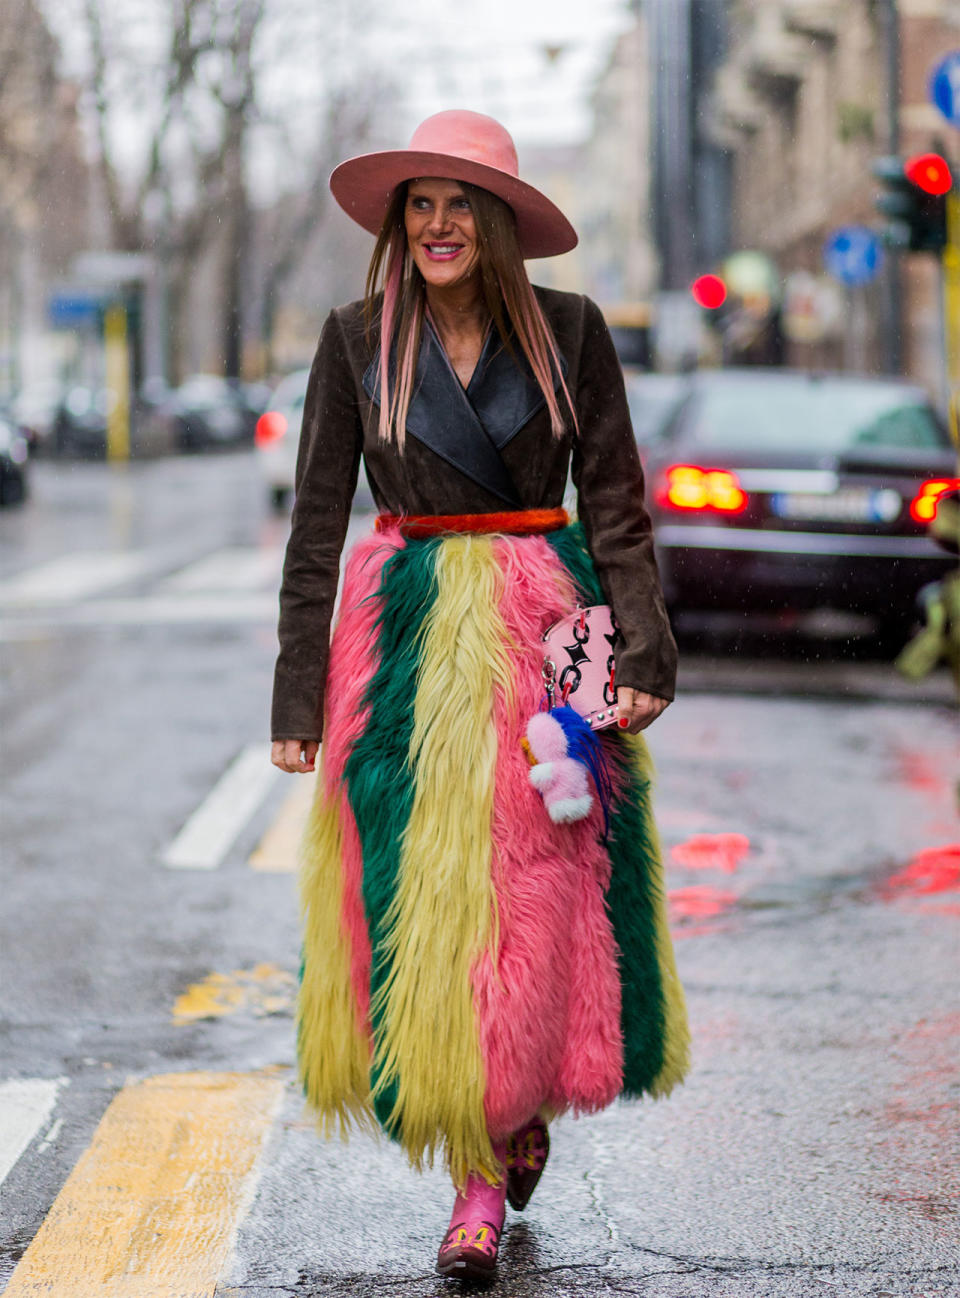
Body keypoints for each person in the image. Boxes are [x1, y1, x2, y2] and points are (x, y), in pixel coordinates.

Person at [270, 109, 689, 1281]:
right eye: (421, 204)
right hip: (407, 645)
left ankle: (506, 1130)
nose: (439, 224)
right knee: (433, 894)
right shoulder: (358, 339)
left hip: (549, 629)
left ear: (498, 224)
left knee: (542, 886)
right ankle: (476, 1161)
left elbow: (616, 498)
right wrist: (297, 700)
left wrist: (645, 654)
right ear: (400, 225)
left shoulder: (571, 331)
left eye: (462, 203)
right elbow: (315, 525)